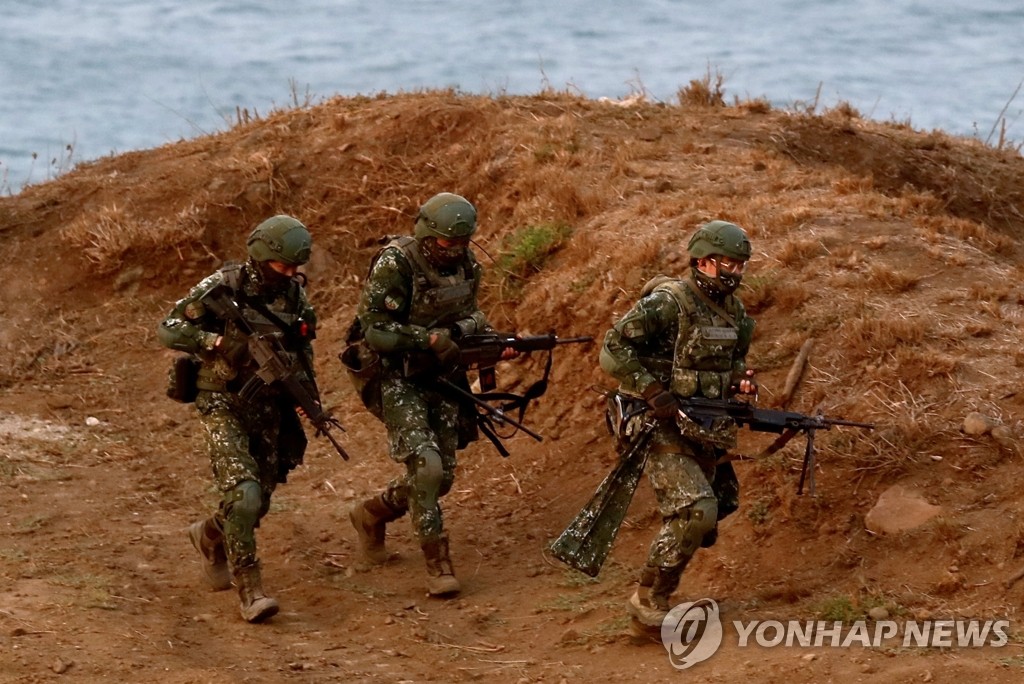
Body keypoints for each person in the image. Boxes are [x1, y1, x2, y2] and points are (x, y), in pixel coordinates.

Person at [345, 192, 509, 597]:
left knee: (442, 478)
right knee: (428, 465)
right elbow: (374, 330)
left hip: (442, 374)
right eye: (445, 244)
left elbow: (473, 314)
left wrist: (473, 337)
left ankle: (372, 512)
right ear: (426, 235)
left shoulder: (468, 265)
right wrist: (427, 338)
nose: (453, 252)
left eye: (461, 244)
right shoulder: (395, 263)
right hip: (395, 375)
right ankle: (436, 560)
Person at [598, 220, 757, 637]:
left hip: (706, 424)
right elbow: (613, 348)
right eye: (728, 263)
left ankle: (655, 594)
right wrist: (651, 391)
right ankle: (649, 602)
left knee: (717, 507)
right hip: (655, 421)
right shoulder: (669, 302)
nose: (735, 273)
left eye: (740, 265)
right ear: (702, 261)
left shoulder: (736, 313)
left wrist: (739, 380)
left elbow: (733, 360)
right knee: (696, 510)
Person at [157, 215, 317, 623]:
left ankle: (210, 535)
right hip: (221, 400)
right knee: (244, 493)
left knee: (257, 502)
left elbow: (301, 354)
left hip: (269, 406)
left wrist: (307, 399)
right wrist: (218, 342)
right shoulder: (223, 286)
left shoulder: (295, 298)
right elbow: (170, 328)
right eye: (283, 267)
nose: (290, 274)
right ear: (262, 257)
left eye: (296, 268)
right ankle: (251, 589)